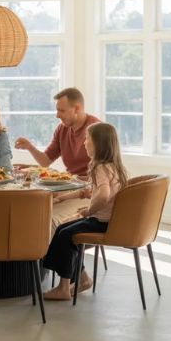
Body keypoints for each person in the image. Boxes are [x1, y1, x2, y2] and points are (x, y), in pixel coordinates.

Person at [42, 122, 128, 300]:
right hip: (113, 221)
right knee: (65, 230)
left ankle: (63, 287)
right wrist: (62, 198)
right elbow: (89, 191)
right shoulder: (115, 167)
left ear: (98, 143)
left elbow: (102, 195)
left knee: (63, 234)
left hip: (100, 223)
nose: (84, 143)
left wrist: (88, 212)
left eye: (87, 139)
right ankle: (83, 279)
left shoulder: (99, 168)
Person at [14, 87, 100, 231]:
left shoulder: (96, 130)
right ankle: (29, 252)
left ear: (76, 108)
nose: (57, 115)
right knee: (28, 210)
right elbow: (45, 161)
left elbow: (104, 172)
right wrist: (29, 147)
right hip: (70, 187)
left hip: (89, 193)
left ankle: (46, 252)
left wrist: (71, 185)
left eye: (61, 110)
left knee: (46, 219)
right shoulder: (62, 129)